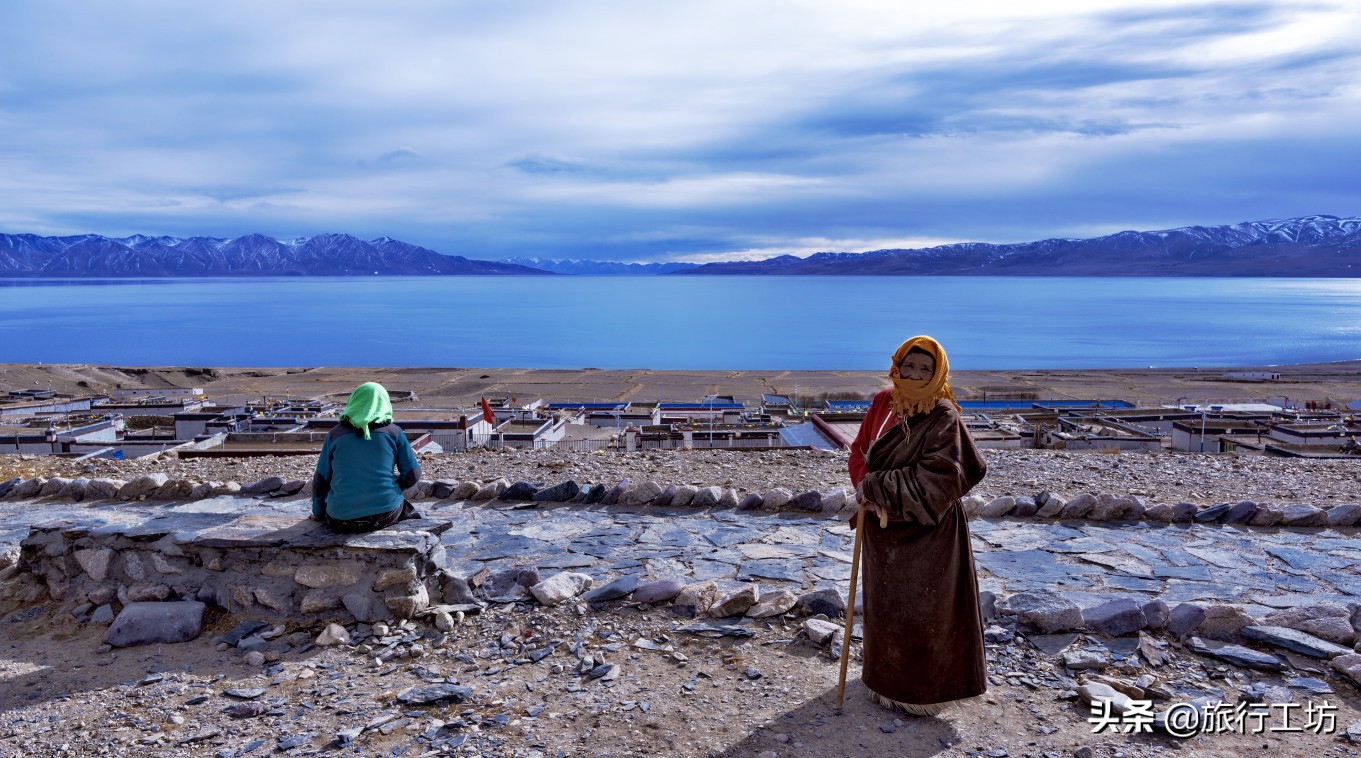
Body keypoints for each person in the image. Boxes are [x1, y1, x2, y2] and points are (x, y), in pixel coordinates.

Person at [848, 335, 988, 716]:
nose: (913, 373)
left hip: (930, 531)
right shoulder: (882, 402)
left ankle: (925, 697)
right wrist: (867, 489)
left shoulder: (944, 416)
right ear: (896, 364)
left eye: (924, 368)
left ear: (937, 372)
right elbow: (860, 451)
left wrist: (877, 487)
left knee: (927, 611)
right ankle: (883, 685)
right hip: (881, 527)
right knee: (886, 609)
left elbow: (943, 478)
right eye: (908, 365)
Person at [311, 382, 424, 533]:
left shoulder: (334, 435)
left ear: (354, 401)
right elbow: (413, 474)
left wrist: (318, 512)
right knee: (407, 509)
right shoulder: (394, 433)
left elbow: (320, 481)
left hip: (340, 519)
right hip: (385, 515)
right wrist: (395, 486)